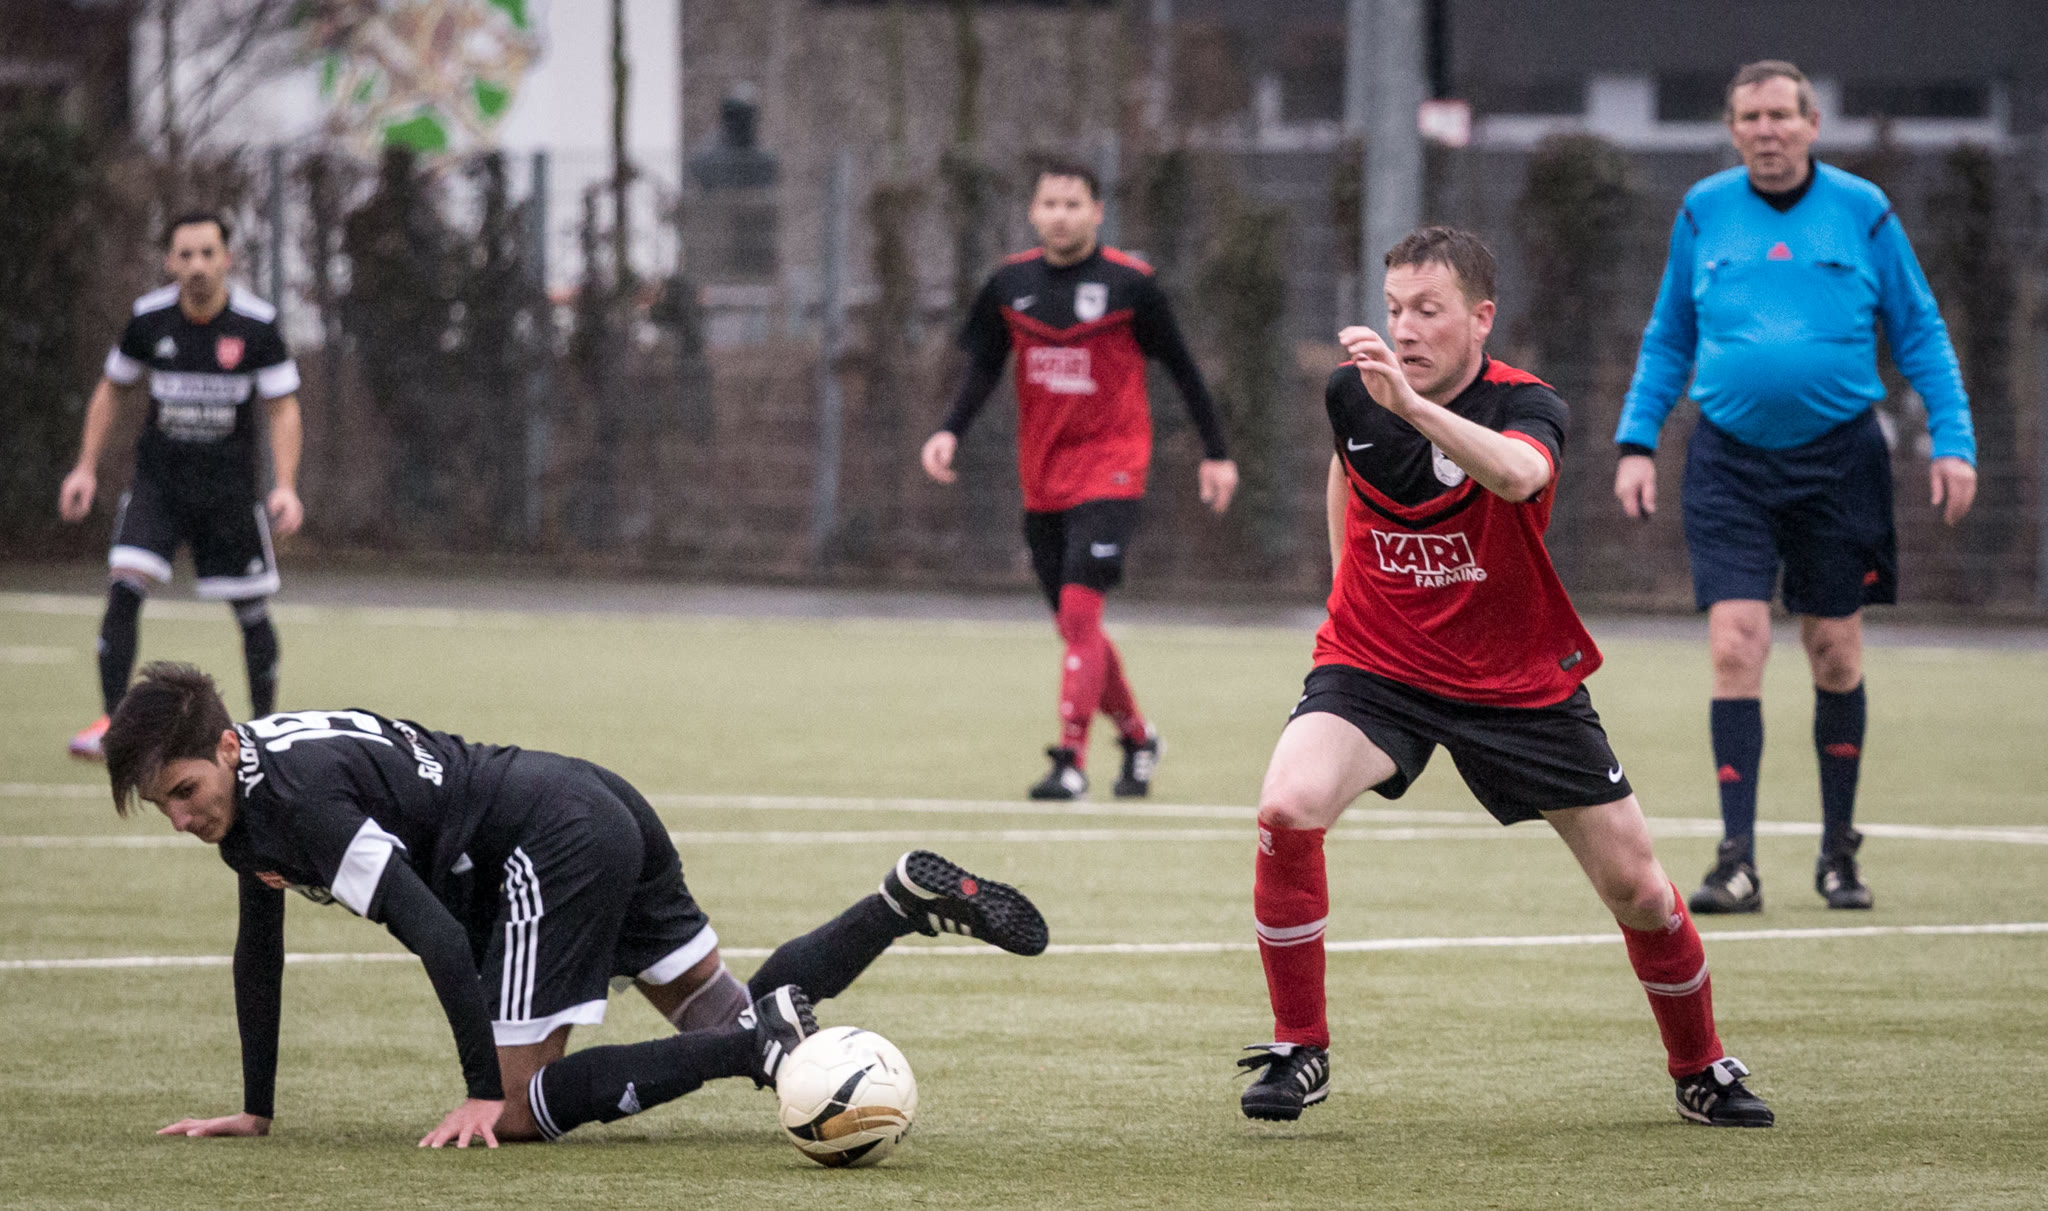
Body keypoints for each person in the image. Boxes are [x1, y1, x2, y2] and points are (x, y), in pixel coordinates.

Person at [1238, 227, 1772, 1129]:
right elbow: (1346, 466)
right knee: (1287, 807)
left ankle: (1700, 1065)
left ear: (1481, 318)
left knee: (1640, 889)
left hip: (1519, 683)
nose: (1405, 328)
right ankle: (1300, 1046)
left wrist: (1413, 407)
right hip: (1378, 663)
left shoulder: (1528, 403)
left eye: (1429, 310)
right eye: (1395, 308)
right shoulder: (1355, 391)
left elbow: (1522, 476)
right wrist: (1342, 595)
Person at [103, 662, 1049, 1147]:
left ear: (225, 747)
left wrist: (483, 1088)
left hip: (542, 842)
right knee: (718, 1007)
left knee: (520, 1112)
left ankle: (754, 1047)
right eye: (162, 805)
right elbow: (258, 947)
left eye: (185, 791)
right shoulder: (252, 793)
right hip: (585, 796)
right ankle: (895, 903)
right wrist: (256, 1108)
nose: (181, 818)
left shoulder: (296, 800)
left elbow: (435, 933)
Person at [1614, 61, 1978, 914]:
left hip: (1841, 462)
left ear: (1812, 124)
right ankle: (1735, 861)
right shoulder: (1703, 210)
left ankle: (1838, 853)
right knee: (1735, 643)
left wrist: (1954, 441)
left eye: (1781, 114)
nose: (1767, 130)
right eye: (1750, 117)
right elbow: (1669, 336)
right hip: (1728, 460)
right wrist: (1636, 441)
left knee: (1835, 650)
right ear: (1732, 129)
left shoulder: (1863, 210)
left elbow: (1920, 330)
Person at [920, 160, 1238, 801]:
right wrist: (949, 429)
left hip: (1113, 467)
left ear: (1098, 211)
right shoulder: (1009, 283)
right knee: (1077, 627)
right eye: (1050, 203)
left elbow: (1182, 368)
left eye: (1073, 204)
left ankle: (1070, 760)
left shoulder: (1131, 284)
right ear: (1033, 212)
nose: (1060, 215)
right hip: (1043, 475)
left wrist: (1216, 452)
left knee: (1078, 611)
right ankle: (1139, 739)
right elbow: (984, 366)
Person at [59, 212, 305, 761]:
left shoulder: (257, 326)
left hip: (229, 495)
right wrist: (85, 468)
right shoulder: (149, 319)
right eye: (186, 255)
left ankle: (265, 734)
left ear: (227, 259)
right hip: (159, 488)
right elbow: (112, 389)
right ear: (170, 262)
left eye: (208, 253)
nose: (197, 266)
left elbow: (283, 408)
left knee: (252, 612)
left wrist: (286, 485)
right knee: (124, 586)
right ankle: (114, 724)